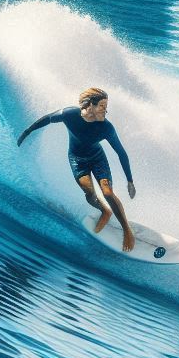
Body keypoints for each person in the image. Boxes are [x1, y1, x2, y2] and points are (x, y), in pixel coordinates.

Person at [17, 87, 139, 251]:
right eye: (102, 106)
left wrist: (130, 180)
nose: (106, 110)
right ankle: (104, 211)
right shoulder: (70, 114)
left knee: (108, 193)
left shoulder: (106, 127)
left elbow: (121, 153)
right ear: (90, 104)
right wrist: (27, 131)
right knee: (89, 192)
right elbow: (48, 119)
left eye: (106, 106)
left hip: (97, 159)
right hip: (77, 160)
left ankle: (127, 230)